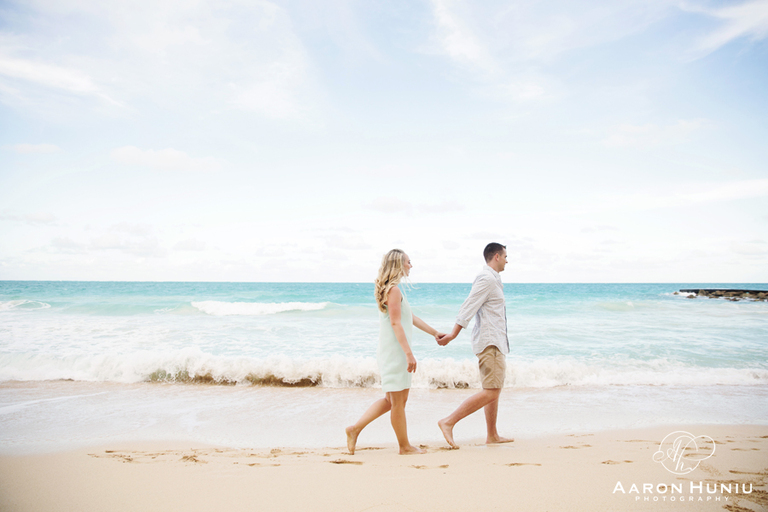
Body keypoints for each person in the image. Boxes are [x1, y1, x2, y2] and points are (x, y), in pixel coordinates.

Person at [346, 249, 443, 455]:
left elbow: (410, 318)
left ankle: (354, 430)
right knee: (397, 403)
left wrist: (434, 333)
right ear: (399, 264)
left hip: (392, 351)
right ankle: (404, 446)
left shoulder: (393, 290)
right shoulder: (394, 290)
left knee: (392, 401)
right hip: (396, 353)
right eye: (409, 262)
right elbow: (395, 323)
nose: (411, 265)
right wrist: (408, 353)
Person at [436, 243, 513, 449]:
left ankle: (492, 435)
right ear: (496, 256)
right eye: (506, 256)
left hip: (495, 341)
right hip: (490, 342)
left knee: (492, 389)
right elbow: (468, 306)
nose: (508, 260)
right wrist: (453, 334)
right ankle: (449, 421)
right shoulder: (486, 279)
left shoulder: (494, 279)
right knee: (492, 391)